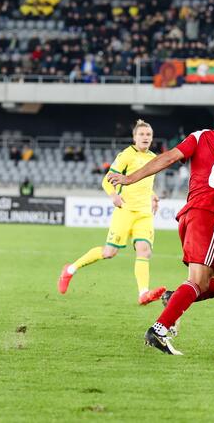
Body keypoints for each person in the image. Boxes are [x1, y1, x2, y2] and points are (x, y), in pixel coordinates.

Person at [107, 98, 214, 355]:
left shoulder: (199, 136)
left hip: (188, 217)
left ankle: (174, 299)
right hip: (209, 218)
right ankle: (159, 330)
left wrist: (130, 178)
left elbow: (168, 158)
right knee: (198, 282)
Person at [57, 119, 164, 305]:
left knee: (144, 251)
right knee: (109, 252)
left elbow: (143, 183)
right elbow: (107, 180)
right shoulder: (126, 156)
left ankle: (143, 293)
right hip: (125, 211)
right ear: (134, 137)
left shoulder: (153, 158)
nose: (145, 137)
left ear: (152, 138)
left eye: (148, 135)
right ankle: (70, 269)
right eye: (142, 134)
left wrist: (153, 195)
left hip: (144, 213)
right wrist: (113, 195)